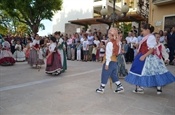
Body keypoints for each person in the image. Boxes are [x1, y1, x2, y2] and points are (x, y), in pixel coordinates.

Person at [125, 23, 175, 94]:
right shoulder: (146, 37)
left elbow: (151, 49)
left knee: (150, 72)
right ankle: (140, 87)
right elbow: (145, 46)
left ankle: (155, 86)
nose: (142, 32)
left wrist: (144, 56)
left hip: (147, 57)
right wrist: (137, 46)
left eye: (143, 30)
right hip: (142, 55)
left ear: (147, 30)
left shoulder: (151, 37)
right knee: (140, 71)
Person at [96, 28, 124, 94]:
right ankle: (120, 87)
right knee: (113, 75)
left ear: (111, 34)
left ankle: (101, 88)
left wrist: (107, 64)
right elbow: (119, 52)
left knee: (105, 74)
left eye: (109, 33)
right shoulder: (118, 43)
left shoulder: (110, 43)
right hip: (114, 61)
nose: (107, 34)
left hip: (109, 61)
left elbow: (109, 54)